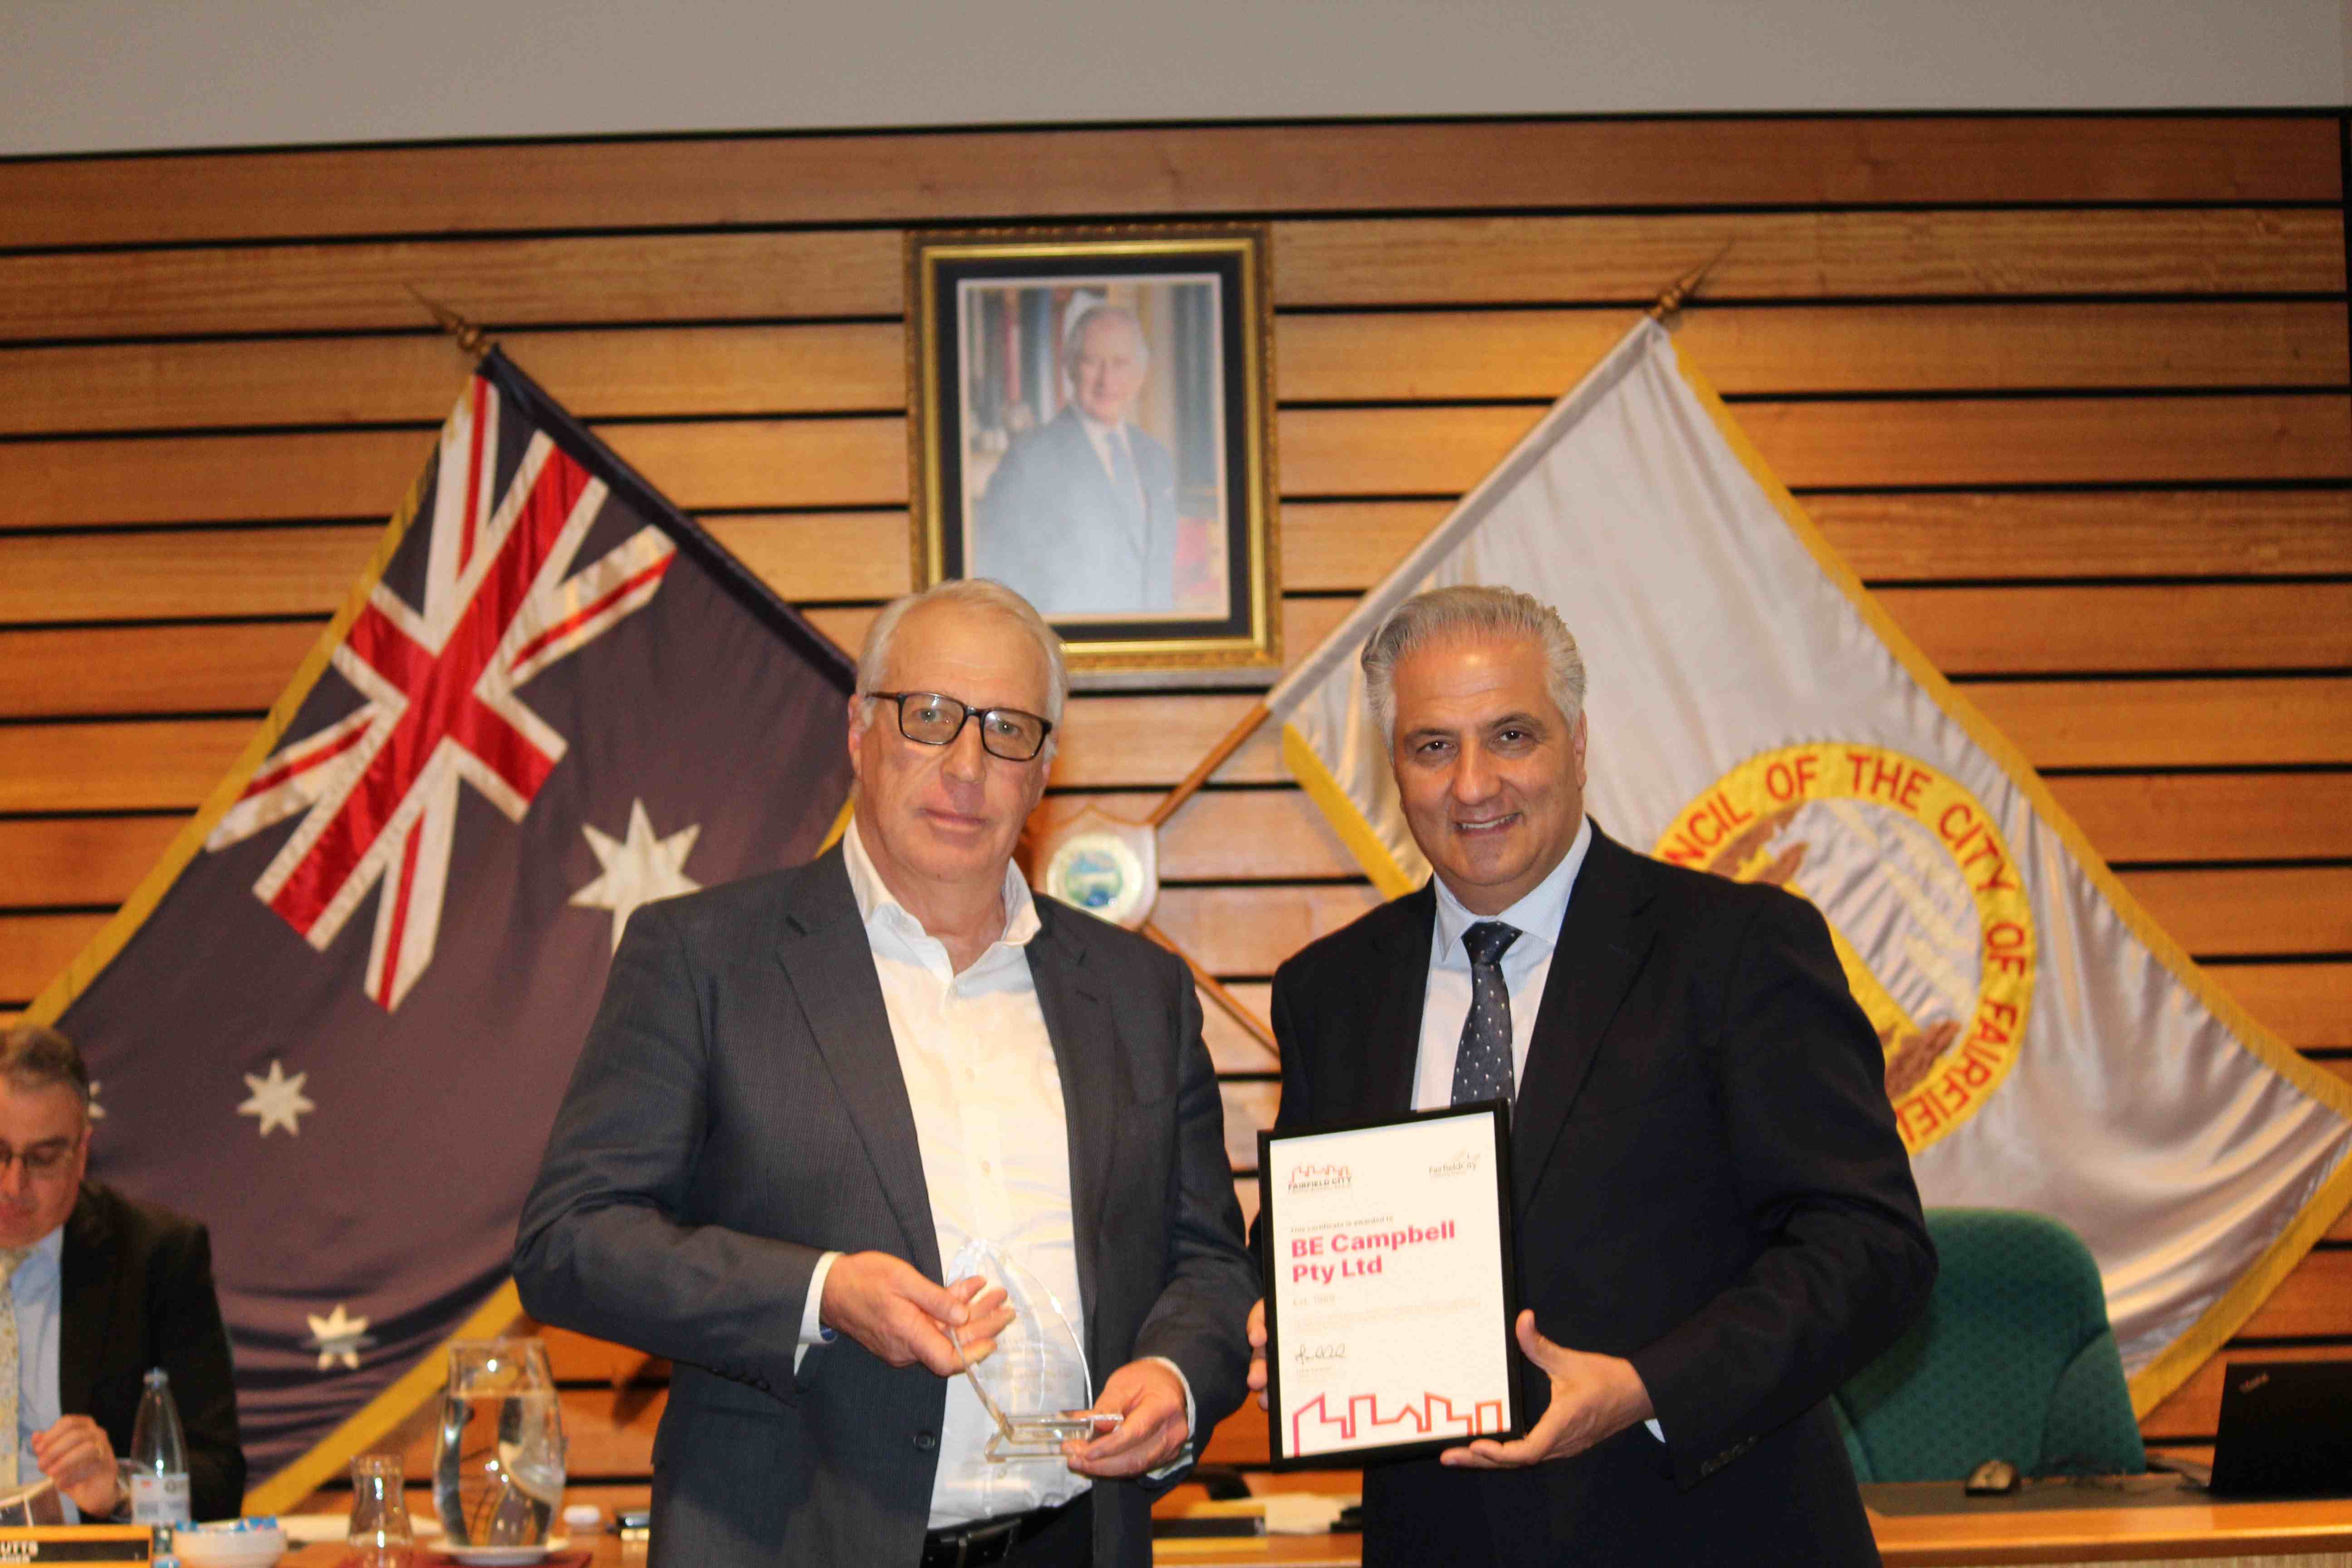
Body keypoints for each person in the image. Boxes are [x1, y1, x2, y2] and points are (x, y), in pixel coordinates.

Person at [515, 578, 1257, 1568]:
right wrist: (822, 1294)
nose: (965, 766)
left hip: (1075, 1544)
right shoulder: (706, 958)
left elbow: (1209, 1263)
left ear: (1043, 771)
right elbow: (571, 1242)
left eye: (1006, 731)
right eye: (931, 716)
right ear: (860, 730)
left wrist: (1175, 1373)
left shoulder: (1139, 992)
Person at [1246, 586, 1935, 1567]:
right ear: (1392, 768)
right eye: (1432, 746)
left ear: (1577, 742)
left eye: (1512, 736)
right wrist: (1287, 1318)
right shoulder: (1331, 990)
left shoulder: (1737, 949)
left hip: (1710, 1531)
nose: (1473, 785)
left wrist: (1650, 1387)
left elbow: (1872, 1247)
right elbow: (1308, 1231)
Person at [0, 1023, 244, 1523]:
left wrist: (122, 1488)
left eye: (43, 1159)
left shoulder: (157, 1257)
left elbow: (220, 1480)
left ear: (82, 1154)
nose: (13, 1184)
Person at [972, 305, 1180, 618]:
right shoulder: (1028, 460)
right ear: (1069, 367)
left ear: (1140, 374)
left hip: (1154, 654)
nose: (1106, 380)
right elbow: (998, 581)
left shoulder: (1157, 459)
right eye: (1092, 362)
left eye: (1120, 364)